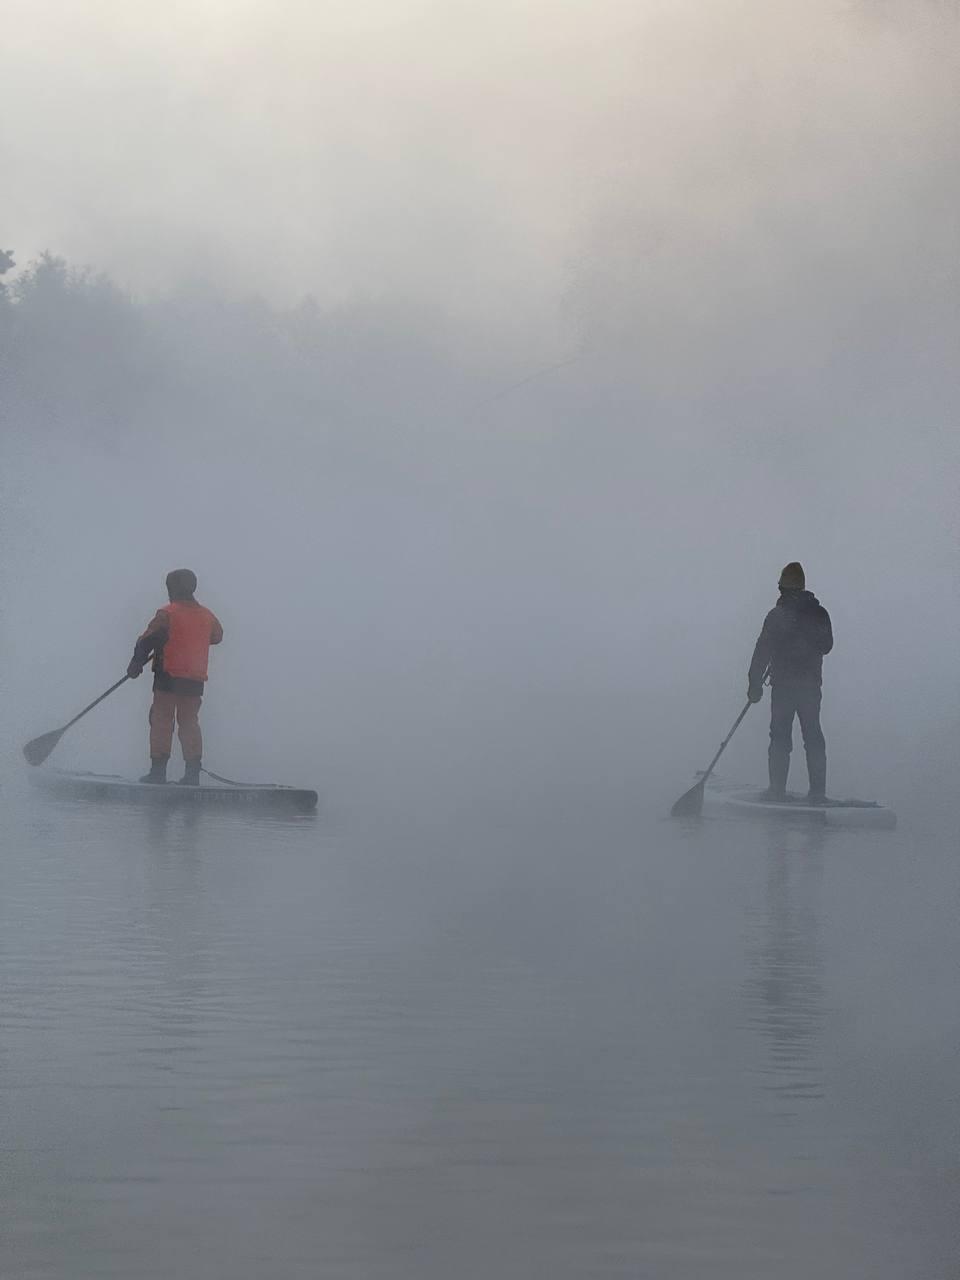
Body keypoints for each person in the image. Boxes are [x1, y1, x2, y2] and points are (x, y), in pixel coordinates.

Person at [127, 569, 223, 785]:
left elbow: (146, 641)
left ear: (173, 588)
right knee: (189, 723)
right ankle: (192, 775)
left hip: (168, 677)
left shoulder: (167, 614)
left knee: (161, 720)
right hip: (195, 680)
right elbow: (217, 636)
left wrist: (136, 663)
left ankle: (158, 773)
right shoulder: (207, 616)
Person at [747, 562, 833, 802]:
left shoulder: (783, 616)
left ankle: (782, 792)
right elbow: (763, 650)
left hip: (792, 687)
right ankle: (813, 793)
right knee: (806, 736)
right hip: (804, 687)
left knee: (785, 737)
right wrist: (754, 682)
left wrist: (754, 683)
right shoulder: (814, 613)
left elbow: (762, 651)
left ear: (784, 589)